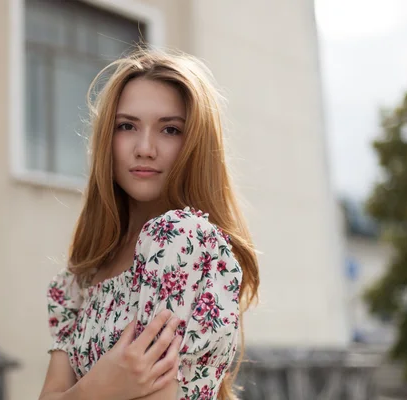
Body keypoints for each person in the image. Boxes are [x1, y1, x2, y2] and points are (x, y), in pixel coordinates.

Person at [39, 48, 259, 400]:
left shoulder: (182, 240)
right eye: (127, 126)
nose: (145, 148)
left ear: (196, 143)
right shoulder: (81, 277)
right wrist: (99, 387)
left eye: (170, 129)